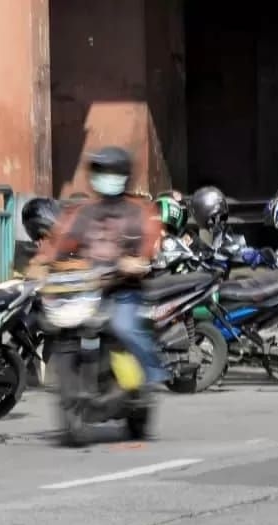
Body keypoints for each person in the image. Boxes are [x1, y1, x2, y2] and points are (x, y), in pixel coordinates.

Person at [26, 146, 168, 389]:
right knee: (59, 323)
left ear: (125, 175)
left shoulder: (139, 211)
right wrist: (41, 262)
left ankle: (151, 374)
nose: (107, 177)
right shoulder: (84, 211)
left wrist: (138, 262)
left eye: (113, 172)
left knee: (123, 327)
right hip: (85, 289)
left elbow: (150, 242)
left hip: (123, 290)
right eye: (101, 171)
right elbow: (60, 240)